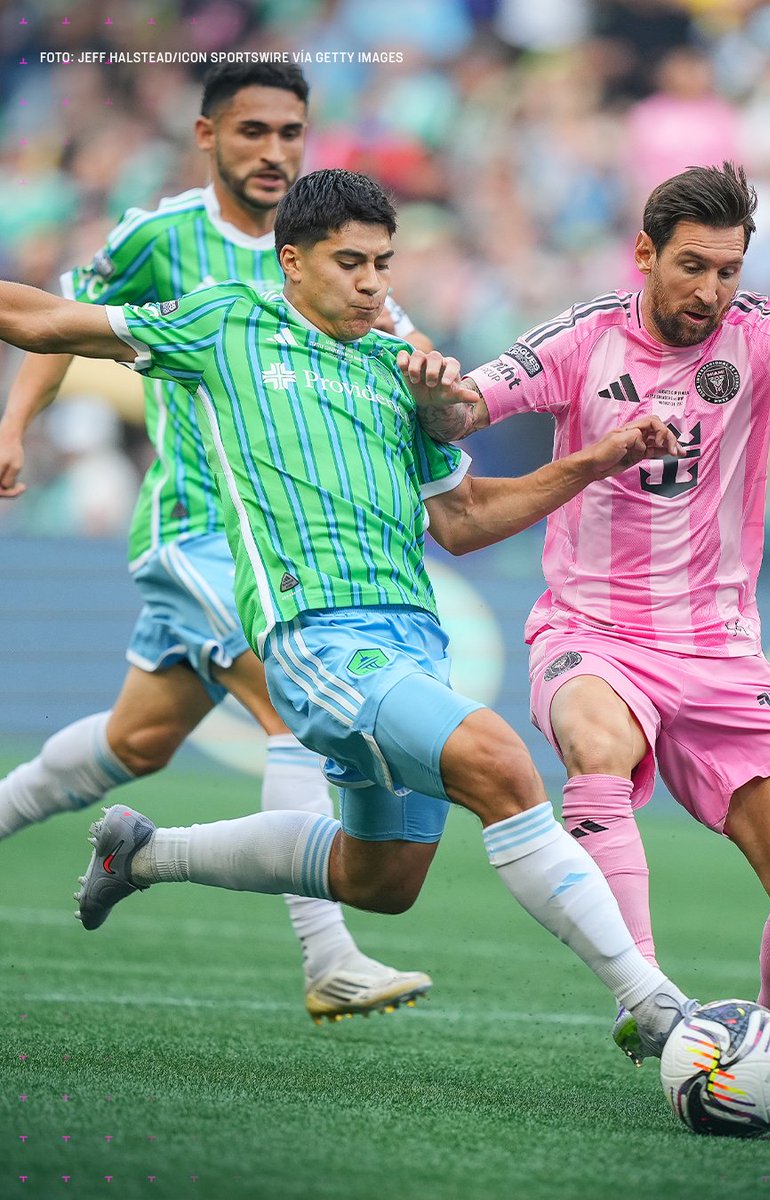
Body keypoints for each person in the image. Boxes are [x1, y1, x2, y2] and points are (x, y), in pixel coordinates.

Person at [0, 167, 704, 1070]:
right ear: (292, 263)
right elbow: (42, 320)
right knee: (497, 761)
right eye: (351, 263)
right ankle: (656, 1004)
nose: (374, 283)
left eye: (383, 262)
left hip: (412, 639)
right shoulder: (226, 324)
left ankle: (143, 854)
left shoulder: (393, 372)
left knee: (384, 880)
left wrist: (595, 459)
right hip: (316, 639)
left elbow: (465, 519)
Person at [422, 162, 770, 1120]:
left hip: (718, 650)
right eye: (693, 267)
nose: (711, 290)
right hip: (591, 630)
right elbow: (468, 405)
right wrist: (434, 393)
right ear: (645, 254)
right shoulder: (579, 340)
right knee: (597, 743)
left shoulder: (762, 335)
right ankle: (656, 1005)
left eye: (727, 268)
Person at [0, 62, 434, 1023]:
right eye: (252, 133)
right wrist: (13, 424)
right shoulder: (163, 237)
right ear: (208, 137)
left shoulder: (337, 256)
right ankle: (329, 956)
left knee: (135, 742)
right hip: (199, 528)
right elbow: (61, 321)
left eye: (291, 132)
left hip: (280, 546)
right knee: (296, 708)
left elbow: (408, 361)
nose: (274, 151)